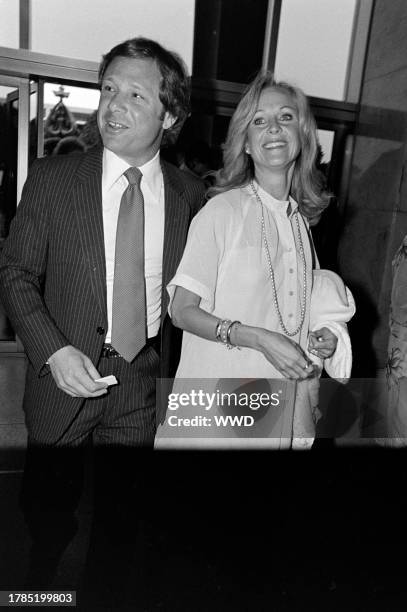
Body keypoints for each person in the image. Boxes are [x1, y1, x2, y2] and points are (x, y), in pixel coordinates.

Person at [0, 37, 205, 596]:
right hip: (62, 382)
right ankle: (38, 588)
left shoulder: (192, 198)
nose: (113, 105)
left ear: (170, 114)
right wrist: (53, 349)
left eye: (135, 94)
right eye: (108, 88)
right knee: (46, 514)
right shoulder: (51, 179)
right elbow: (15, 273)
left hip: (139, 385)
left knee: (121, 523)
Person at [155, 71, 355, 449]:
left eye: (286, 117)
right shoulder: (221, 212)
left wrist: (325, 338)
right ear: (245, 142)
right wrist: (258, 338)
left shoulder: (299, 224)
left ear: (304, 135)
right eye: (259, 121)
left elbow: (296, 315)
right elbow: (181, 311)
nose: (274, 129)